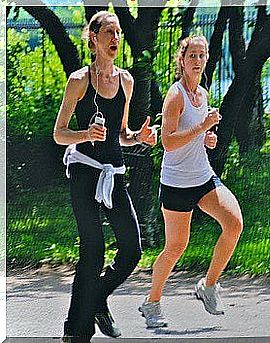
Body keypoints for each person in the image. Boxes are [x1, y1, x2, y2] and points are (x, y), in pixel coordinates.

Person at [53, 11, 157, 342]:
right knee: (93, 250)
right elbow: (59, 133)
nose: (115, 38)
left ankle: (97, 297)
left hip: (114, 174)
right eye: (109, 33)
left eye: (118, 34)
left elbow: (121, 134)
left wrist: (139, 136)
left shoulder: (126, 80)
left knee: (132, 249)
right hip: (83, 171)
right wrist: (85, 134)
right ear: (93, 38)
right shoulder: (79, 81)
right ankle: (75, 331)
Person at [138, 35, 244, 328]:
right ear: (181, 61)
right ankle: (152, 303)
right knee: (176, 247)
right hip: (176, 183)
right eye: (192, 56)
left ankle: (208, 286)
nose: (197, 61)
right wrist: (202, 126)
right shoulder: (176, 95)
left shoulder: (202, 94)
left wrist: (208, 138)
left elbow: (199, 136)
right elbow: (168, 142)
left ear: (206, 60)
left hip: (203, 176)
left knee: (234, 224)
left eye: (202, 56)